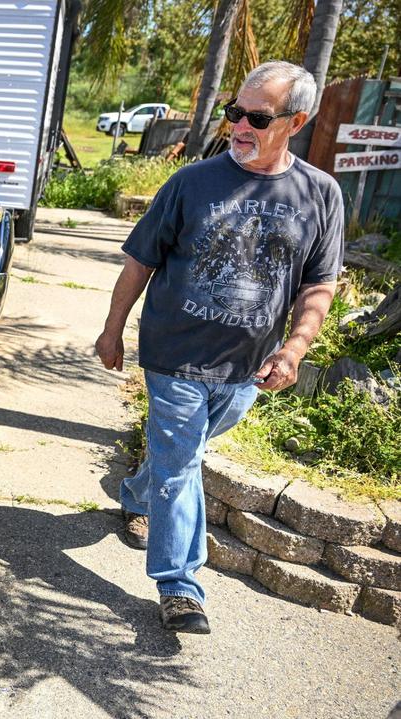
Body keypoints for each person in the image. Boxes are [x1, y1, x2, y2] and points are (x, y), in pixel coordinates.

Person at [95, 61, 344, 634]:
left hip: (248, 367)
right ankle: (181, 586)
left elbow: (319, 284)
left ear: (295, 121)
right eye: (235, 111)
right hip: (174, 352)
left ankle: (137, 492)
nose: (239, 124)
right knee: (183, 462)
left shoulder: (320, 194)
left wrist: (296, 348)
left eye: (257, 117)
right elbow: (141, 261)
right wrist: (113, 329)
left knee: (175, 457)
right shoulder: (191, 182)